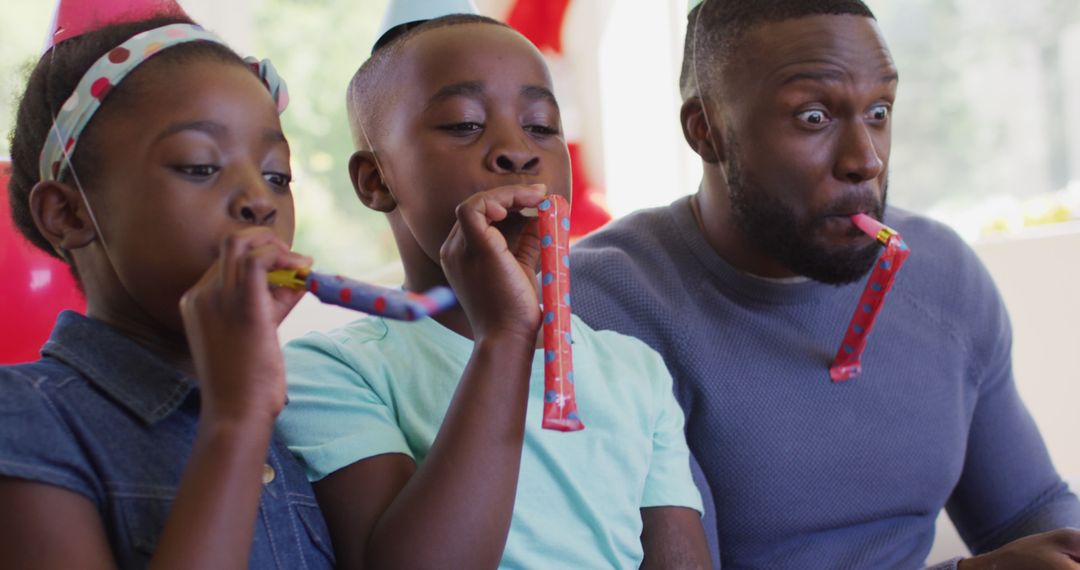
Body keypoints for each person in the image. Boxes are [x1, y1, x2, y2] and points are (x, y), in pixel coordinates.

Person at [569, 0, 1080, 568]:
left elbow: (1025, 508)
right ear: (706, 131)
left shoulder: (943, 274)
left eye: (879, 111)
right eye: (814, 117)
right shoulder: (605, 307)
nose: (866, 160)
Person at [274, 8, 710, 569]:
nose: (518, 151)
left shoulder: (634, 371)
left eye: (542, 126)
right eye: (463, 124)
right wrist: (504, 337)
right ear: (375, 180)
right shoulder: (331, 372)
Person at [0, 3, 334, 568]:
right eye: (200, 165)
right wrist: (235, 422)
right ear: (70, 215)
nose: (260, 200)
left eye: (277, 175)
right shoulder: (23, 416)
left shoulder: (291, 428)